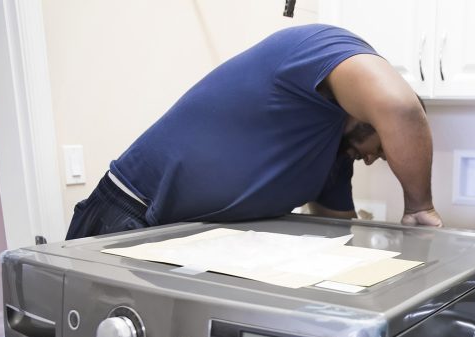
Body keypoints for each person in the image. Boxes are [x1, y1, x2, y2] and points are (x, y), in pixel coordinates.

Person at [65, 24, 442, 240]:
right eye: (382, 148)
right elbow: (402, 109)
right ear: (371, 113)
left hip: (197, 244)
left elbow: (337, 231)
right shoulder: (321, 46)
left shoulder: (332, 158)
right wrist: (419, 208)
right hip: (131, 215)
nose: (372, 159)